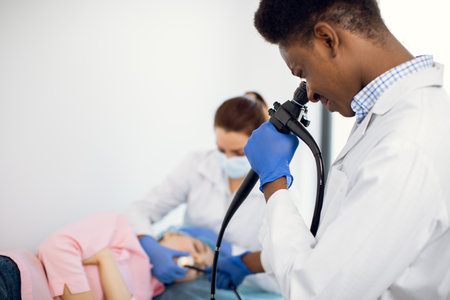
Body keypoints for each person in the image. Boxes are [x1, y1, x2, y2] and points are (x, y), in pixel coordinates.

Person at [212, 1, 450, 299]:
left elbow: (317, 293)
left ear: (328, 39)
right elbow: (336, 254)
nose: (309, 93)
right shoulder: (385, 119)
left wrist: (273, 181)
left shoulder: (408, 142)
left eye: (303, 72)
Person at [126, 94, 280, 293]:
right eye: (221, 149)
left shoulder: (279, 189)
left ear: (260, 144)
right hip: (187, 287)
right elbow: (139, 210)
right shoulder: (197, 166)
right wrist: (147, 242)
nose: (227, 158)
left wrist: (233, 253)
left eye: (238, 153)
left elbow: (283, 274)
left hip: (243, 290)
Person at [37, 211, 216, 300]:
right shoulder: (120, 228)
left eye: (199, 270)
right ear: (171, 234)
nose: (196, 261)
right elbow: (57, 247)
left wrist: (105, 259)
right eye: (198, 248)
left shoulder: (151, 291)